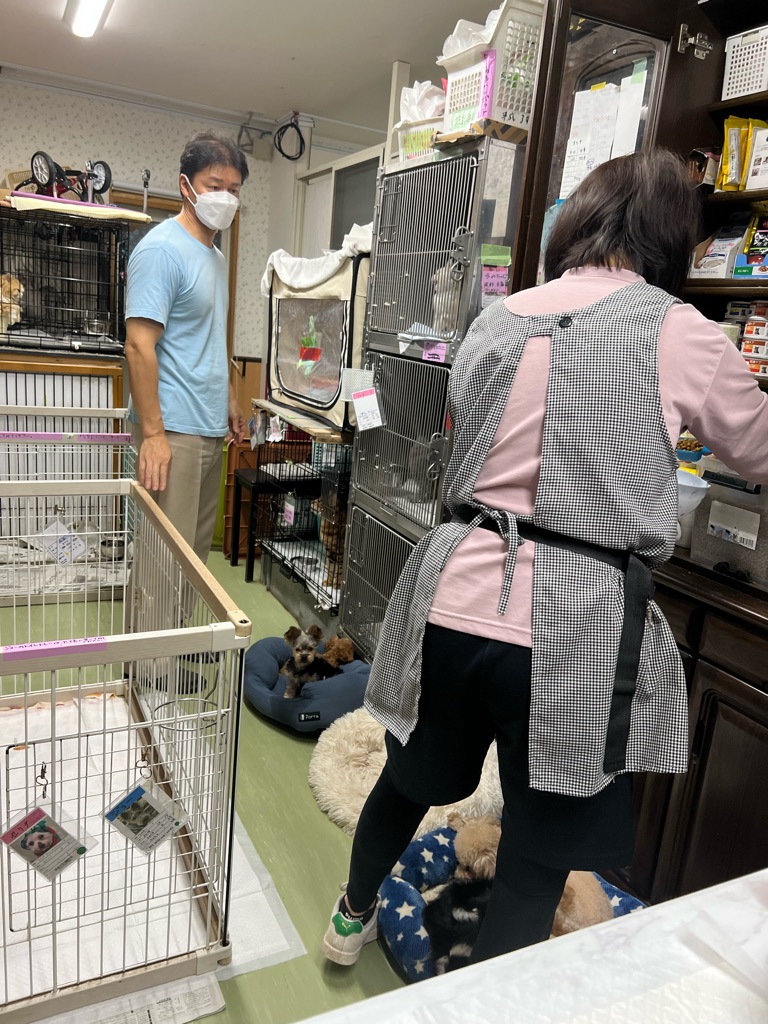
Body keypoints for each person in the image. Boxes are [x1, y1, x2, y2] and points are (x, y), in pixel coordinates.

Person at [322, 149, 768, 967]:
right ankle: (491, 1005)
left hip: (453, 589)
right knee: (539, 844)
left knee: (408, 777)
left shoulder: (500, 316)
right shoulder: (681, 330)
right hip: (576, 624)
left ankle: (349, 920)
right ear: (672, 235)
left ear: (579, 221)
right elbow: (760, 449)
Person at [125, 130, 248, 563]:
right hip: (173, 430)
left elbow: (208, 335)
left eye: (234, 190)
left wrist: (228, 398)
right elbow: (138, 346)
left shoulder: (215, 257)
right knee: (162, 566)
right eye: (215, 187)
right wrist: (154, 436)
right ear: (185, 185)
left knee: (193, 563)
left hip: (209, 428)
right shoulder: (161, 250)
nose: (225, 198)